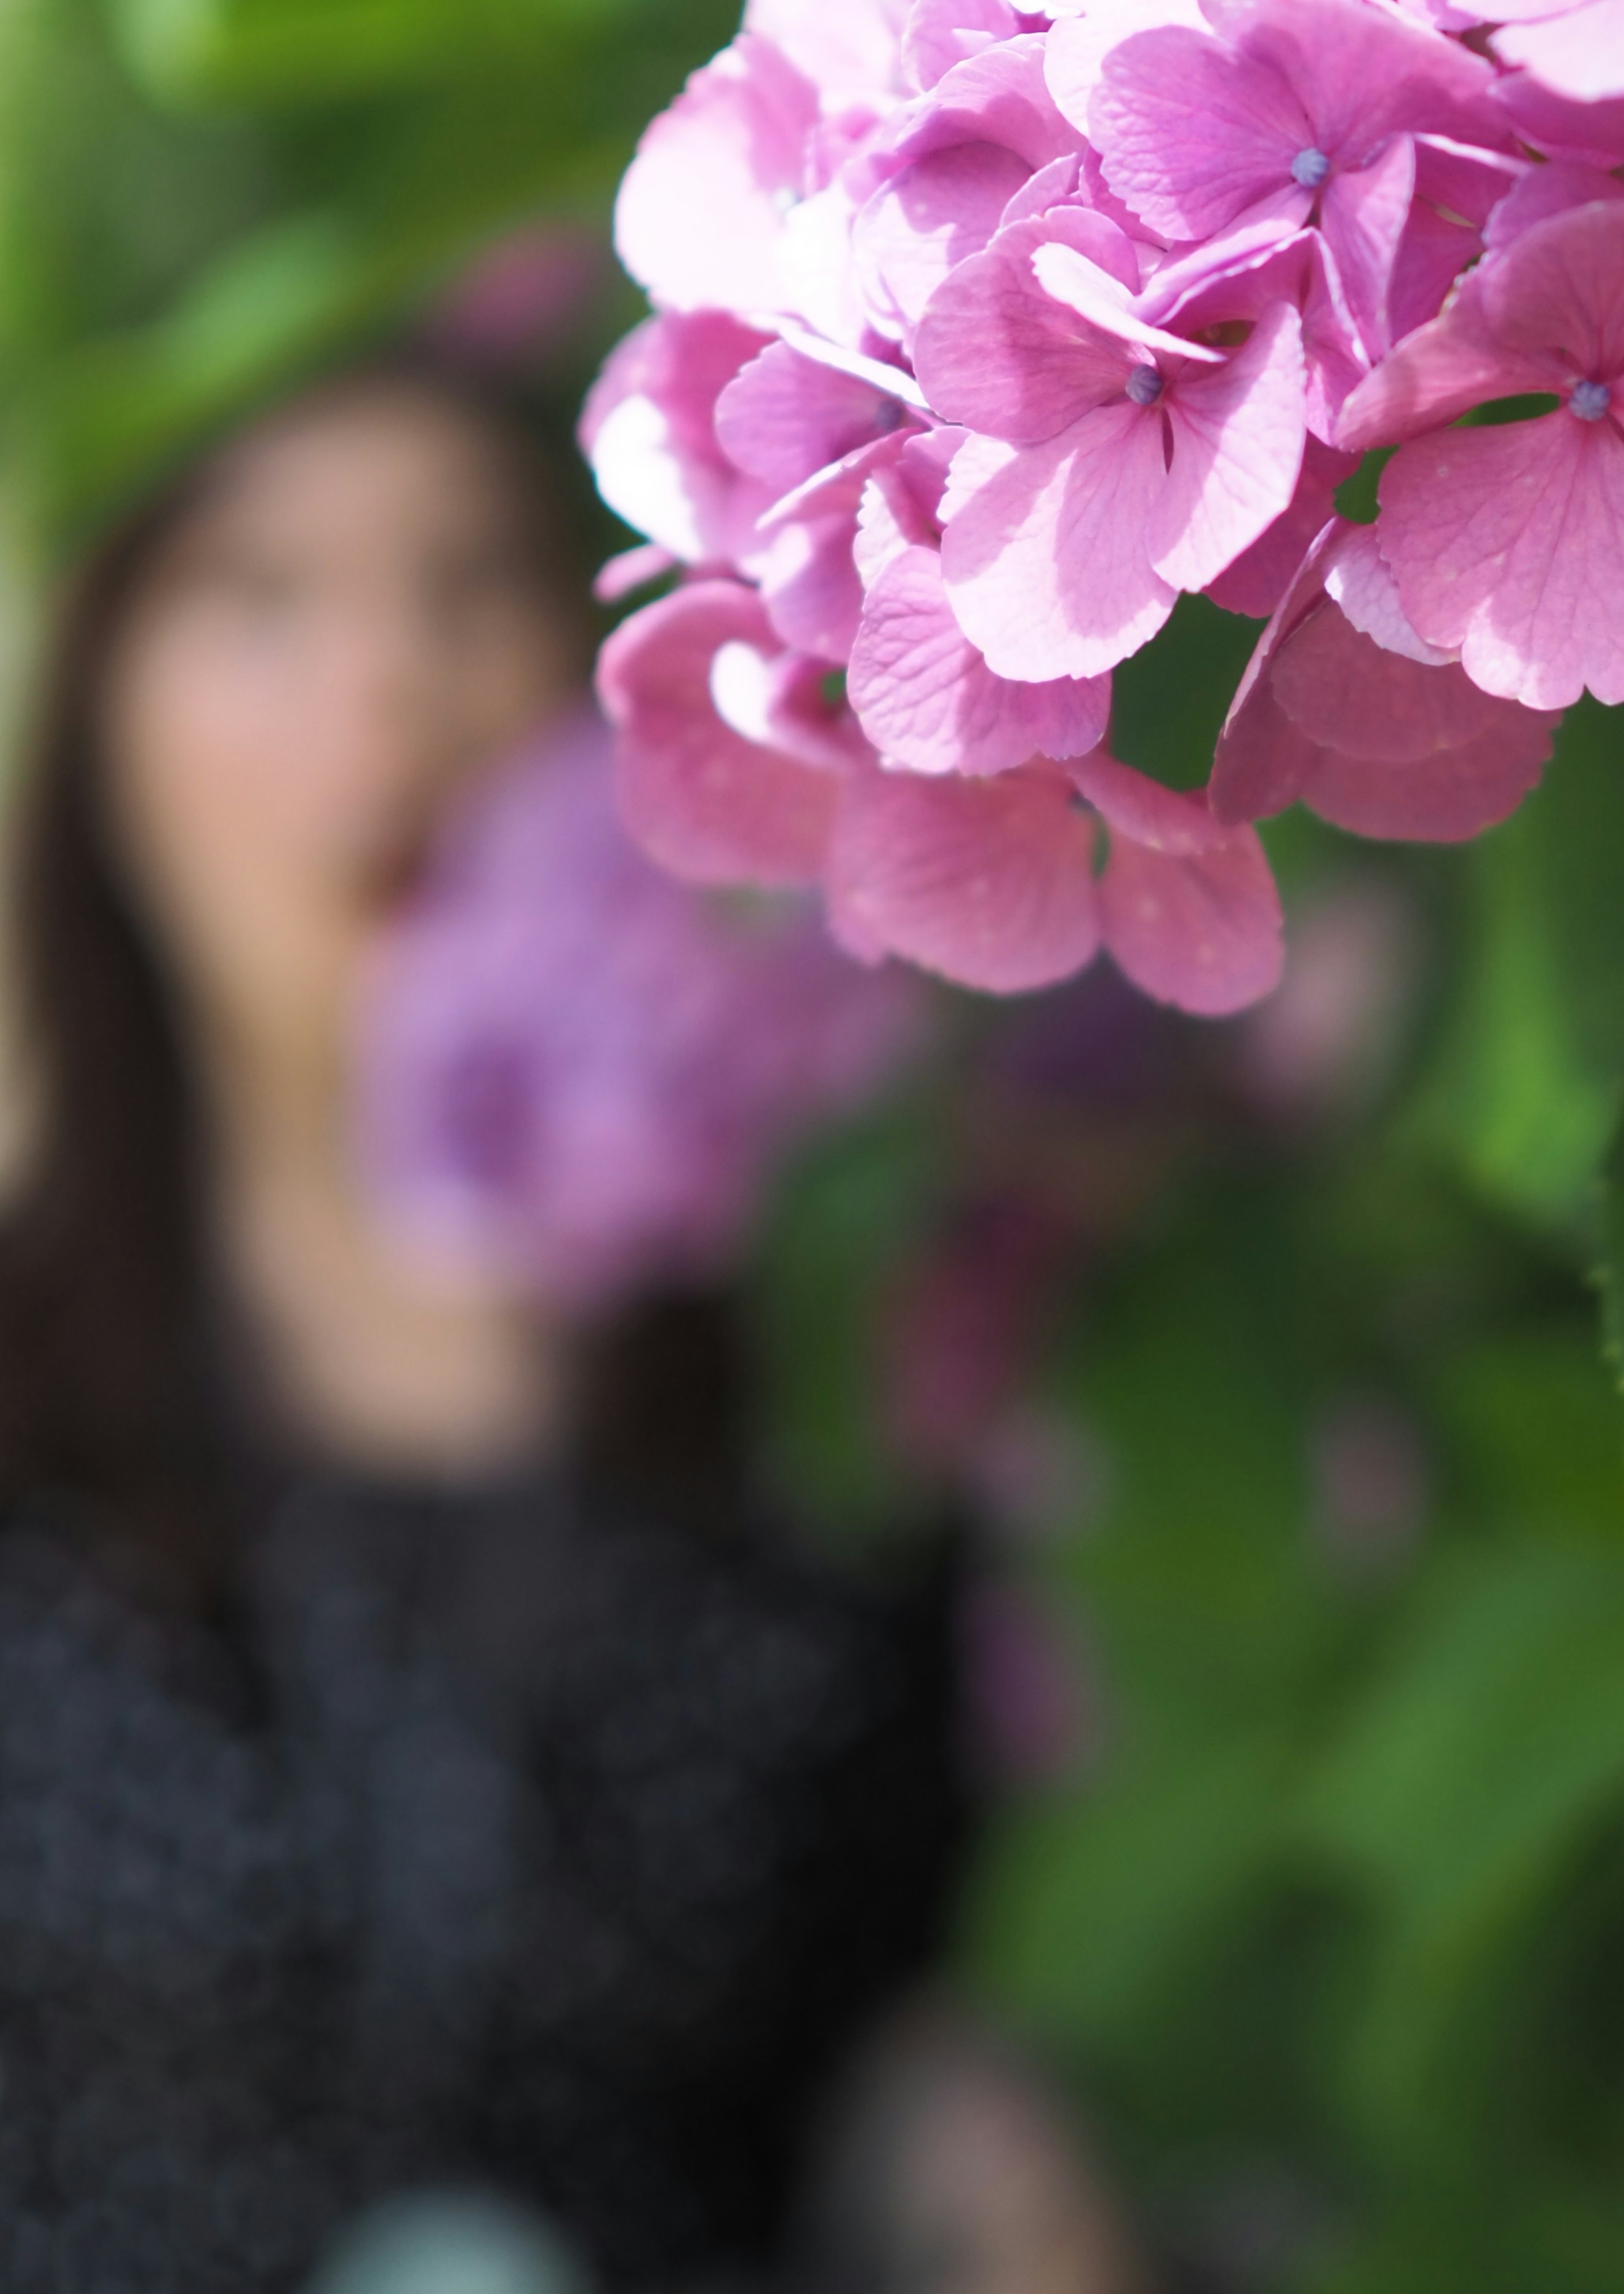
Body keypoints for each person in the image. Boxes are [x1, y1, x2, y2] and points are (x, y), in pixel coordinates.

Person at [0, 357, 975, 2294]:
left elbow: (913, 1986)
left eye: (469, 588)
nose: (386, 681)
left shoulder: (832, 1365)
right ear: (102, 713)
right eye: (258, 597)